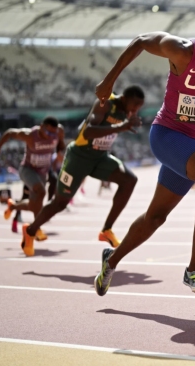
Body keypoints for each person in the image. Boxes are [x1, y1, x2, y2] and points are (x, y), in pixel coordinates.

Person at [94, 17, 195, 296]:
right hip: (168, 135)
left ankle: (112, 259)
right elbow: (141, 41)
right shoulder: (183, 51)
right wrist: (109, 80)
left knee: (155, 217)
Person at [19, 85, 145, 257]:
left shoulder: (127, 113)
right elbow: (86, 132)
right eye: (134, 106)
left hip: (99, 158)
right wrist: (121, 127)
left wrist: (125, 123)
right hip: (78, 158)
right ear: (124, 98)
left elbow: (117, 126)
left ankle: (106, 229)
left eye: (139, 107)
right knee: (60, 203)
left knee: (129, 180)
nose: (135, 110)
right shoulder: (105, 104)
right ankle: (31, 230)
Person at [0, 117, 66, 240]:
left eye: (53, 133)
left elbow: (61, 144)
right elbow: (10, 133)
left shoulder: (58, 132)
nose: (51, 136)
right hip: (28, 170)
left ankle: (13, 206)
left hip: (42, 172)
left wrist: (60, 154)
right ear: (41, 127)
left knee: (34, 205)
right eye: (48, 132)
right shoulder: (30, 135)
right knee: (41, 192)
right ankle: (36, 229)